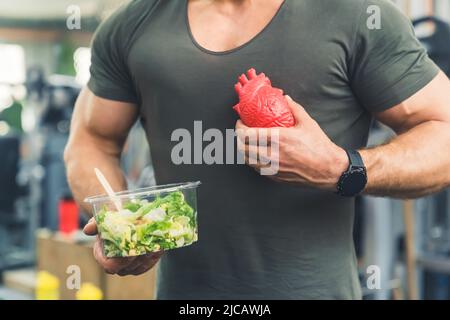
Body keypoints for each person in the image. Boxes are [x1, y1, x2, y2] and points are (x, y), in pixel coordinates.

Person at [64, 0, 450, 299]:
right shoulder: (132, 25)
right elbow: (91, 139)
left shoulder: (354, 15)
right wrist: (120, 219)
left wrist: (340, 167)